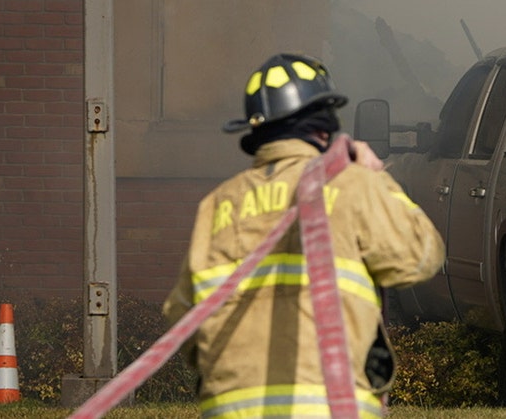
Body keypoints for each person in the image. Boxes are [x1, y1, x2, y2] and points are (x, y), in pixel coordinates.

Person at [163, 53, 445, 418]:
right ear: (323, 127)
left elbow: (182, 316)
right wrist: (378, 178)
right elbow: (420, 258)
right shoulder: (352, 185)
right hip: (331, 407)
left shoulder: (218, 205)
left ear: (257, 131)